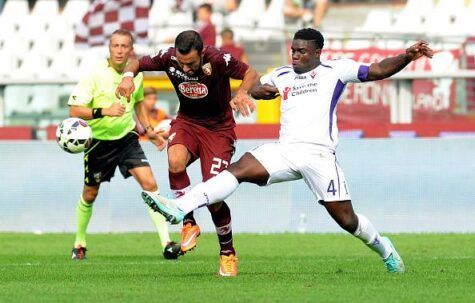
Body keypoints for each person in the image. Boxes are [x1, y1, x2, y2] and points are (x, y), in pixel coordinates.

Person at [145, 28, 434, 274]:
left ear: (317, 52)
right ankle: (181, 207)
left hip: (319, 156)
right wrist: (249, 93)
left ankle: (385, 250)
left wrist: (407, 56)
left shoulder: (336, 70)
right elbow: (260, 86)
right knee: (239, 168)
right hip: (285, 151)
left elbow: (377, 70)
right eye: (293, 50)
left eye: (301, 52)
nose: (295, 55)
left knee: (348, 220)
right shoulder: (283, 74)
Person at [116, 30, 258, 276]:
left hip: (219, 131)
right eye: (182, 63)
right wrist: (128, 77)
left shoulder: (217, 59)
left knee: (214, 196)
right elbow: (135, 62)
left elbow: (250, 72)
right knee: (175, 161)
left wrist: (243, 92)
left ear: (201, 53)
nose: (186, 68)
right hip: (188, 124)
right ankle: (188, 223)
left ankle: (227, 254)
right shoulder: (169, 58)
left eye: (191, 63)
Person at [67, 29, 181, 261]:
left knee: (150, 184)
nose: (119, 51)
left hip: (127, 138)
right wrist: (104, 111)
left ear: (131, 49)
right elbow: (74, 110)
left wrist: (149, 132)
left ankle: (167, 242)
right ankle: (79, 242)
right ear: (109, 48)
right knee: (90, 194)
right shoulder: (94, 74)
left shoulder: (135, 75)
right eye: (115, 46)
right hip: (98, 142)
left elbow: (138, 103)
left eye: (124, 46)